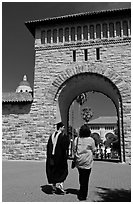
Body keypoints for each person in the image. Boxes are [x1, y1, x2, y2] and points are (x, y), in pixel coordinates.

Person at [73, 124, 96, 201]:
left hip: (79, 161)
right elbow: (94, 150)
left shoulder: (77, 139)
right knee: (86, 178)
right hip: (87, 161)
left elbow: (74, 149)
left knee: (81, 176)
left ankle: (81, 189)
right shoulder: (91, 140)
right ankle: (83, 195)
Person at [46, 122, 70, 194]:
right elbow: (65, 146)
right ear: (60, 127)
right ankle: (60, 184)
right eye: (63, 127)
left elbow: (48, 146)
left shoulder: (52, 136)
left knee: (53, 170)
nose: (64, 128)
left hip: (52, 157)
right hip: (60, 157)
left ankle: (53, 186)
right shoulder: (63, 136)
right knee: (62, 171)